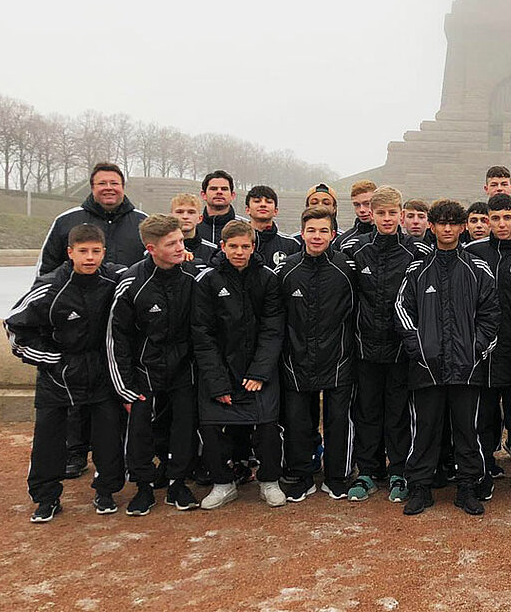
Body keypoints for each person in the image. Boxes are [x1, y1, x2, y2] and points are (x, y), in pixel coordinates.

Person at [6, 224, 126, 522]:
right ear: (70, 252)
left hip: (101, 372)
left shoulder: (114, 279)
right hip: (58, 376)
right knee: (48, 438)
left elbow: (145, 272)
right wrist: (52, 360)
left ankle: (106, 490)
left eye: (95, 252)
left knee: (108, 436)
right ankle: (46, 497)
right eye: (83, 252)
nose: (89, 258)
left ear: (103, 253)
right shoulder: (50, 286)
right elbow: (15, 327)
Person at [395, 199, 499, 516]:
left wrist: (475, 349)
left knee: (468, 430)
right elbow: (402, 310)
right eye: (442, 223)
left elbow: (491, 316)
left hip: (466, 369)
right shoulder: (418, 268)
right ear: (432, 226)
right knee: (425, 430)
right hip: (427, 368)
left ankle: (467, 487)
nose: (448, 228)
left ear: (463, 226)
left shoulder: (477, 268)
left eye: (454, 223)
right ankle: (421, 488)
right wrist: (419, 348)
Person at [106, 214, 201, 515]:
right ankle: (144, 486)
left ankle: (177, 482)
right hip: (144, 370)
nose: (179, 248)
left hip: (184, 368)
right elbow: (116, 338)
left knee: (183, 427)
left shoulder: (192, 276)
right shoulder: (131, 283)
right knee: (140, 431)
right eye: (171, 243)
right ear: (151, 248)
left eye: (181, 241)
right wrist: (124, 388)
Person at [191, 221, 287, 510]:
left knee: (268, 427)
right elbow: (202, 334)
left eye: (245, 246)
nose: (239, 251)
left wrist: (259, 371)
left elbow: (273, 329)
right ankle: (223, 483)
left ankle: (269, 481)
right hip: (219, 370)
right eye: (233, 246)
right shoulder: (207, 280)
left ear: (253, 247)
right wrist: (218, 381)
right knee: (210, 427)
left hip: (259, 371)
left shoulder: (268, 279)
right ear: (223, 246)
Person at [347, 187, 431, 504]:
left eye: (391, 213)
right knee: (367, 411)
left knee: (398, 413)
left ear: (400, 214)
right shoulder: (357, 251)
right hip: (365, 348)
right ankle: (367, 472)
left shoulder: (416, 253)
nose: (385, 218)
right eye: (380, 213)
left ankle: (398, 471)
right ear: (372, 213)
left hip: (400, 350)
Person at [463, 193, 511, 499]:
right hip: (481, 352)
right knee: (482, 417)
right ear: (487, 221)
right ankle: (483, 470)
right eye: (494, 218)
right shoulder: (472, 251)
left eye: (506, 217)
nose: (501, 223)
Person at [276, 206, 358, 502]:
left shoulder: (346, 269)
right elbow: (275, 315)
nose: (317, 236)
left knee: (338, 420)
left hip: (338, 358)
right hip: (295, 359)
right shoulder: (287, 269)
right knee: (298, 421)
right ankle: (301, 475)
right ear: (302, 233)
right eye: (311, 230)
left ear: (333, 234)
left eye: (324, 230)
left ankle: (337, 476)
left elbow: (356, 311)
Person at [39, 161, 148, 276]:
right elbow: (46, 269)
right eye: (102, 183)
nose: (109, 188)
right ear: (92, 188)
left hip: (128, 293)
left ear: (123, 187)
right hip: (78, 293)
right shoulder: (65, 221)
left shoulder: (143, 222)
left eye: (114, 183)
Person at [245, 185, 301, 269]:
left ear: (275, 211)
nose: (263, 205)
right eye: (257, 201)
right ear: (247, 210)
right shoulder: (236, 243)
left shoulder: (291, 245)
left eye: (268, 202)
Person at [195, 170, 242, 245]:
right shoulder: (193, 226)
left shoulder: (245, 227)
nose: (219, 192)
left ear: (232, 195)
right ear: (203, 195)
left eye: (224, 189)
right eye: (213, 189)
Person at [171, 193, 218, 265]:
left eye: (191, 212)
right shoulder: (158, 250)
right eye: (180, 212)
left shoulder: (213, 252)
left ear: (200, 218)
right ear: (171, 217)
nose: (185, 216)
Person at [335, 180, 379, 250]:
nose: (362, 210)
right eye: (357, 205)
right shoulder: (343, 242)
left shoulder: (393, 237)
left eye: (367, 203)